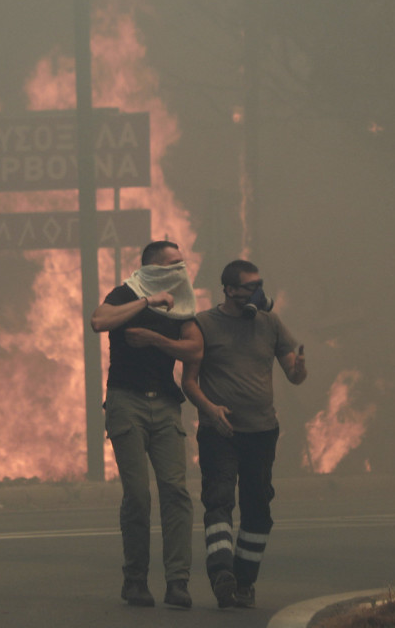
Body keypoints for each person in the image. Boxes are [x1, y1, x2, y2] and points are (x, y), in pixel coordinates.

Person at [181, 258, 307, 609]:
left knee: (258, 509)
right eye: (250, 286)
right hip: (219, 431)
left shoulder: (270, 323)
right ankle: (222, 575)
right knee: (219, 501)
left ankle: (245, 580)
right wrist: (211, 409)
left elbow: (293, 375)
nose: (258, 292)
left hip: (262, 431)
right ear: (230, 289)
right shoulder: (204, 324)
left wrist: (300, 369)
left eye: (259, 284)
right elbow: (188, 382)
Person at [90, 240, 204, 609]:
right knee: (138, 495)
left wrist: (156, 337)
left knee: (176, 492)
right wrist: (146, 302)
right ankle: (135, 580)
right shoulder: (126, 292)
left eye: (181, 262)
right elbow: (98, 321)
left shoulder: (182, 300)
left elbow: (195, 349)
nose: (180, 269)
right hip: (126, 401)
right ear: (154, 268)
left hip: (166, 405)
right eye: (173, 264)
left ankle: (178, 582)